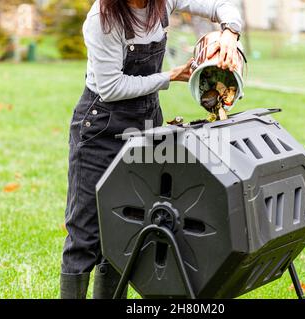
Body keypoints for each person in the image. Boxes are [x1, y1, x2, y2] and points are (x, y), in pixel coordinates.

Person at [60, 0, 242, 299]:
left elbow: (222, 5)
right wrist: (170, 76)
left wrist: (229, 34)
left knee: (124, 228)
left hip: (145, 125)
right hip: (101, 128)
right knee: (86, 233)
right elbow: (111, 87)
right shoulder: (101, 19)